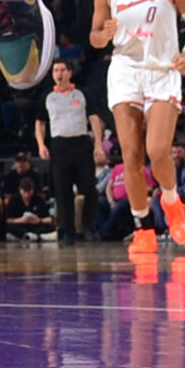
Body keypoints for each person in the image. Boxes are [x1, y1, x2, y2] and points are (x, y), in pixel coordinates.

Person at [89, 0, 185, 252]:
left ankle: (170, 200)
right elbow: (94, 38)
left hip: (162, 70)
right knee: (131, 155)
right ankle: (144, 228)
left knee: (157, 150)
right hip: (124, 70)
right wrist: (104, 34)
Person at [36, 58, 106, 243]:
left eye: (62, 70)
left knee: (89, 188)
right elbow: (40, 123)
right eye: (55, 70)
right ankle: (68, 232)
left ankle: (89, 227)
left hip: (81, 143)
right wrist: (41, 145)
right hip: (59, 145)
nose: (59, 74)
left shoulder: (82, 93)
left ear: (69, 73)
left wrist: (98, 144)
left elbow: (94, 118)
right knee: (62, 191)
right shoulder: (47, 96)